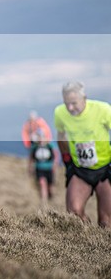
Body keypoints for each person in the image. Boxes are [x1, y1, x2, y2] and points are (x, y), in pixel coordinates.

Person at [53, 80, 111, 227]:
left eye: (74, 103)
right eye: (67, 103)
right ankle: (87, 239)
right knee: (74, 213)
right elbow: (60, 135)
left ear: (84, 97)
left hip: (105, 169)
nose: (70, 108)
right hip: (80, 170)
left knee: (106, 221)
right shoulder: (60, 112)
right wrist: (67, 161)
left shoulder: (102, 110)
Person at [27, 131, 56, 204]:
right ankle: (44, 201)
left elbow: (55, 156)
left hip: (49, 168)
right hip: (39, 168)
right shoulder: (35, 147)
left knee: (50, 187)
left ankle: (50, 198)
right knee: (42, 183)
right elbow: (31, 158)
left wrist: (54, 165)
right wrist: (30, 168)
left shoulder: (50, 145)